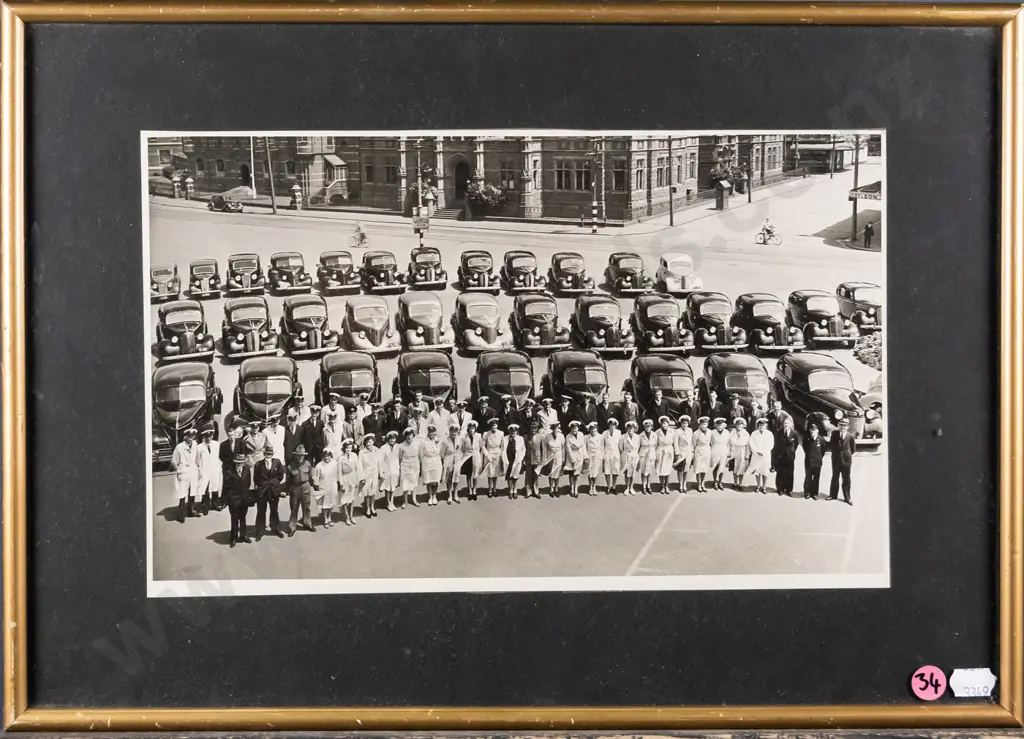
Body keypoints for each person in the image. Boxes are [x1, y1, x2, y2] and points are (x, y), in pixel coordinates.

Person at [253, 442, 287, 539]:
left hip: (273, 490)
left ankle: (275, 528)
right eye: (266, 454)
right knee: (261, 511)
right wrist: (262, 485)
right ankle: (260, 531)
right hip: (262, 491)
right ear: (264, 454)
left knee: (274, 511)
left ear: (272, 455)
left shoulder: (277, 462)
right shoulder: (258, 464)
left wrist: (274, 483)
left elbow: (280, 475)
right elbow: (256, 478)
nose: (268, 456)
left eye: (270, 454)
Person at [223, 453, 253, 548]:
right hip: (234, 499)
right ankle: (233, 538)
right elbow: (226, 487)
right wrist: (227, 500)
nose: (239, 465)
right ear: (235, 463)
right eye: (237, 463)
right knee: (234, 519)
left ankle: (243, 535)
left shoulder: (247, 470)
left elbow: (248, 483)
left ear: (244, 463)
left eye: (241, 463)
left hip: (244, 498)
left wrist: (246, 495)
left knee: (243, 517)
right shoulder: (229, 473)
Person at [171, 428, 200, 522]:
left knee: (193, 492)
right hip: (183, 473)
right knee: (182, 494)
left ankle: (191, 510)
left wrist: (197, 467)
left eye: (193, 436)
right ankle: (181, 514)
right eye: (189, 435)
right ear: (185, 436)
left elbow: (197, 458)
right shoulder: (179, 447)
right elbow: (173, 462)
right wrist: (179, 470)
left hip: (193, 472)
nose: (191, 437)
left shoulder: (195, 445)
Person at [286, 445, 315, 535]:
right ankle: (292, 527)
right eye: (298, 455)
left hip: (306, 486)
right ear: (295, 455)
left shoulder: (308, 464)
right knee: (294, 507)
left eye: (302, 455)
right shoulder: (291, 466)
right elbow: (288, 479)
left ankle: (307, 524)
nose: (300, 457)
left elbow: (310, 476)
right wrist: (288, 490)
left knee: (307, 507)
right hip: (295, 487)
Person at [828, 417, 856, 505]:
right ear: (838, 426)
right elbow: (832, 445)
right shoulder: (834, 434)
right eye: (841, 425)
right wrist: (835, 454)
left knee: (846, 479)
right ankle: (833, 495)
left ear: (847, 427)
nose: (843, 427)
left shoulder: (850, 436)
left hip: (846, 461)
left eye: (845, 426)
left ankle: (847, 497)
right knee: (835, 477)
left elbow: (853, 449)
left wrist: (846, 455)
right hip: (836, 460)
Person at [311, 447, 339, 529]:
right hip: (323, 486)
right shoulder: (319, 465)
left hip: (333, 486)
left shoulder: (335, 464)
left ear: (331, 456)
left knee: (331, 503)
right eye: (325, 456)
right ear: (323, 457)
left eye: (329, 456)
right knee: (324, 504)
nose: (327, 458)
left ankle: (329, 517)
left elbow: (338, 473)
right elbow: (316, 477)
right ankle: (325, 519)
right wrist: (317, 486)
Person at [195, 423, 220, 515]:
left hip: (214, 469)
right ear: (203, 436)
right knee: (205, 488)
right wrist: (200, 469)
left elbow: (218, 457)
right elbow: (197, 460)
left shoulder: (217, 445)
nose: (208, 438)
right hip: (204, 470)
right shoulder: (199, 447)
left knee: (214, 487)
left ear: (212, 435)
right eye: (206, 436)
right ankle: (205, 506)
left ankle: (215, 504)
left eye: (210, 436)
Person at [336, 438, 362, 523]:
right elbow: (339, 472)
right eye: (347, 448)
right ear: (344, 448)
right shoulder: (340, 458)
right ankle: (347, 517)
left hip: (353, 478)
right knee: (344, 500)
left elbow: (357, 468)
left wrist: (358, 479)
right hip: (345, 479)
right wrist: (341, 484)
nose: (348, 450)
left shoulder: (354, 456)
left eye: (350, 448)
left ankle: (351, 516)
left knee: (352, 499)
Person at [456, 420, 483, 501]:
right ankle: (469, 490)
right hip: (467, 457)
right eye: (470, 428)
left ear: (475, 429)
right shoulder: (464, 437)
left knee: (475, 475)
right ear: (468, 429)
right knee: (468, 474)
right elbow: (463, 448)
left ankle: (474, 490)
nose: (471, 430)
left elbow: (481, 446)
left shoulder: (478, 436)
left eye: (473, 428)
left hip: (476, 456)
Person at [748, 417, 775, 494]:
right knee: (757, 471)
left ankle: (764, 487)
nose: (761, 427)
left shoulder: (769, 434)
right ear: (758, 426)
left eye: (763, 425)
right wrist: (756, 451)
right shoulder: (754, 433)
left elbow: (771, 445)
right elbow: (751, 443)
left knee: (765, 471)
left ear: (766, 426)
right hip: (756, 455)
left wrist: (764, 452)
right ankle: (758, 486)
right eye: (760, 425)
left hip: (765, 455)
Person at [480, 417, 505, 497]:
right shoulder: (486, 434)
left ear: (497, 425)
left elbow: (503, 446)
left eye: (495, 425)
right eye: (492, 425)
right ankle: (490, 489)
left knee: (496, 473)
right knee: (490, 473)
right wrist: (487, 454)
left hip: (497, 454)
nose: (494, 427)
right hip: (489, 454)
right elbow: (483, 445)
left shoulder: (501, 433)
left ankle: (495, 489)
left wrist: (501, 454)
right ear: (490, 426)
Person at [398, 427, 422, 509]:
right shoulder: (401, 446)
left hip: (414, 466)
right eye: (407, 435)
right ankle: (405, 500)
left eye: (410, 435)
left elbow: (420, 456)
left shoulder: (417, 444)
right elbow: (400, 458)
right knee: (405, 484)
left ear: (413, 435)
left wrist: (418, 465)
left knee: (414, 483)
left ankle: (414, 499)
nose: (409, 437)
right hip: (405, 466)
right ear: (405, 436)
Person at [774, 416, 799, 496]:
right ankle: (780, 489)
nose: (786, 425)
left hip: (790, 456)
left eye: (787, 423)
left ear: (791, 424)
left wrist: (791, 451)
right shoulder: (779, 432)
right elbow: (777, 444)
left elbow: (796, 444)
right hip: (781, 455)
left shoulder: (794, 433)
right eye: (785, 423)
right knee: (780, 472)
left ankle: (788, 490)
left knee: (789, 473)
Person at [419, 424, 443, 506]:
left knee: (435, 481)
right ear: (428, 432)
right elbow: (421, 453)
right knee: (429, 481)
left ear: (435, 432)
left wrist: (436, 444)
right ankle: (430, 497)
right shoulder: (423, 441)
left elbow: (440, 451)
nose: (431, 434)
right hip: (427, 461)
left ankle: (434, 496)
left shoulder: (438, 440)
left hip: (436, 461)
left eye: (433, 432)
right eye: (430, 432)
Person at [358, 434, 381, 517]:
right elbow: (359, 466)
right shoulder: (361, 452)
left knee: (373, 492)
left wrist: (381, 473)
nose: (369, 444)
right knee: (367, 493)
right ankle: (367, 508)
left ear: (373, 442)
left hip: (374, 474)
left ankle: (372, 507)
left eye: (370, 442)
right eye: (367, 442)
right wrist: (361, 477)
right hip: (366, 475)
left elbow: (379, 462)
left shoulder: (377, 450)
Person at [802, 423, 826, 500]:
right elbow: (805, 448)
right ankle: (807, 493)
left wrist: (819, 458)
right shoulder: (806, 438)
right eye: (811, 430)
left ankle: (814, 493)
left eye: (814, 430)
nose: (813, 431)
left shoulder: (821, 439)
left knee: (816, 478)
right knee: (808, 477)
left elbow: (823, 450)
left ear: (817, 431)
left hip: (817, 462)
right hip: (809, 461)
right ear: (809, 430)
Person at [379, 430, 401, 512]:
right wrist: (382, 471)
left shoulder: (397, 447)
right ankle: (388, 502)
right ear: (388, 439)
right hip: (387, 470)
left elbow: (399, 457)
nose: (392, 440)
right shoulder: (383, 448)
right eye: (391, 438)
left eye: (394, 438)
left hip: (395, 469)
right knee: (387, 488)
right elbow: (381, 460)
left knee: (393, 487)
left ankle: (392, 501)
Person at [526, 418, 548, 499]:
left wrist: (543, 459)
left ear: (537, 429)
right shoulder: (526, 436)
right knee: (528, 475)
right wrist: (524, 460)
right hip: (528, 458)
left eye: (535, 428)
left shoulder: (541, 437)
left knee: (535, 475)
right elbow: (524, 449)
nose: (533, 430)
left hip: (537, 458)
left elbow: (543, 449)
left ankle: (536, 491)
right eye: (532, 428)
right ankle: (528, 491)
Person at [439, 424, 462, 504]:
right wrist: (444, 462)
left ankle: (455, 495)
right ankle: (449, 496)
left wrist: (459, 458)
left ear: (457, 432)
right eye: (452, 432)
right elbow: (442, 453)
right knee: (449, 479)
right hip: (448, 460)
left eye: (455, 432)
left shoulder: (459, 439)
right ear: (449, 431)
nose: (454, 433)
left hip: (457, 460)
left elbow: (461, 450)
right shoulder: (445, 441)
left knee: (456, 478)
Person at [503, 423, 526, 500]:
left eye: (515, 431)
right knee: (509, 475)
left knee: (515, 475)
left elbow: (523, 449)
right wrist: (504, 460)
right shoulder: (505, 439)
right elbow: (503, 450)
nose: (513, 433)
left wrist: (521, 458)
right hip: (508, 460)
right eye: (512, 431)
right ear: (509, 431)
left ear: (517, 432)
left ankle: (515, 489)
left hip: (517, 460)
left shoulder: (520, 438)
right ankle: (510, 490)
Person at [563, 419, 585, 498]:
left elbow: (583, 446)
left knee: (577, 474)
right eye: (573, 428)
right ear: (570, 429)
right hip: (571, 456)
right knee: (571, 474)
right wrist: (572, 460)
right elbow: (568, 449)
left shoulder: (581, 435)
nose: (574, 430)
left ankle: (576, 489)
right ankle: (572, 488)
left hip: (579, 456)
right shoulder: (568, 437)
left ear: (578, 428)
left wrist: (584, 456)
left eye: (575, 428)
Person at [619, 420, 641, 495]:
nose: (630, 429)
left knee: (633, 473)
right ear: (627, 429)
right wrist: (625, 454)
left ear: (634, 429)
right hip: (626, 456)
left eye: (632, 428)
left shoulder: (637, 437)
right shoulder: (623, 437)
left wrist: (634, 453)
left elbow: (637, 447)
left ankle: (631, 487)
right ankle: (627, 487)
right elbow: (620, 448)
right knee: (627, 473)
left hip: (634, 456)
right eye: (629, 428)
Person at [654, 416, 676, 493]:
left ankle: (666, 486)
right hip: (660, 451)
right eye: (663, 423)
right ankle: (662, 486)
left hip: (669, 451)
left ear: (668, 424)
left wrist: (676, 453)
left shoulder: (672, 431)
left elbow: (675, 443)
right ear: (660, 424)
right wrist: (654, 454)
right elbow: (655, 444)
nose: (664, 425)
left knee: (667, 470)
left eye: (665, 423)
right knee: (660, 469)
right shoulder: (657, 432)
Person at [728, 418, 750, 491]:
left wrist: (747, 455)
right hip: (734, 451)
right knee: (734, 468)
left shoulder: (746, 434)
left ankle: (740, 484)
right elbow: (728, 443)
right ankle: (735, 483)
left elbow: (748, 445)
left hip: (742, 451)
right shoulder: (731, 433)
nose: (739, 426)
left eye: (740, 425)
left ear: (743, 426)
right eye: (737, 425)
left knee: (741, 468)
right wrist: (729, 453)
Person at [691, 416, 712, 493]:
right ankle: (699, 484)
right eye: (702, 424)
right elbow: (694, 444)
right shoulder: (696, 433)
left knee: (705, 469)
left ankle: (703, 483)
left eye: (705, 424)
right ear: (699, 425)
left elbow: (711, 442)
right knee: (699, 469)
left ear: (707, 424)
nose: (703, 426)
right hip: (699, 450)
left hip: (707, 451)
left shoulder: (710, 432)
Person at [709, 417, 731, 491]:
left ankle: (720, 482)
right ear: (716, 426)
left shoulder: (727, 432)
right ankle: (715, 481)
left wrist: (728, 452)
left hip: (723, 450)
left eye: (721, 425)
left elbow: (728, 443)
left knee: (722, 467)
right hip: (715, 450)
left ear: (724, 425)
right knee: (715, 466)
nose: (720, 427)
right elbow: (711, 442)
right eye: (718, 425)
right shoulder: (713, 432)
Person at [637, 418, 658, 494]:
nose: (647, 428)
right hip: (643, 453)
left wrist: (652, 451)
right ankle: (643, 486)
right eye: (646, 427)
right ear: (644, 427)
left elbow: (655, 445)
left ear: (651, 427)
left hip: (651, 453)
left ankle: (648, 485)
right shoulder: (640, 435)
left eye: (649, 426)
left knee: (649, 470)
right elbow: (638, 445)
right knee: (643, 470)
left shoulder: (654, 435)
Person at [601, 417, 622, 494]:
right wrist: (603, 455)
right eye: (610, 425)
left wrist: (620, 453)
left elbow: (620, 445)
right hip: (607, 453)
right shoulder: (604, 433)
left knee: (615, 471)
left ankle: (614, 487)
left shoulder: (619, 433)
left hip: (615, 453)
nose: (612, 427)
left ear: (616, 426)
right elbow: (602, 445)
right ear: (608, 426)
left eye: (613, 425)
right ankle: (608, 487)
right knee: (607, 471)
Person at [673, 415, 693, 492]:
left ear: (688, 423)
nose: (684, 425)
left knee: (686, 470)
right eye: (683, 423)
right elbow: (675, 443)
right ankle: (680, 483)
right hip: (681, 452)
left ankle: (684, 483)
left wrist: (692, 451)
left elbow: (691, 442)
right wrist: (677, 453)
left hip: (688, 452)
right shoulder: (677, 431)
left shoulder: (690, 430)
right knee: (680, 470)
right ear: (681, 424)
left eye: (686, 423)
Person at [545, 423, 565, 497]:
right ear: (552, 429)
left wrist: (563, 457)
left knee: (557, 473)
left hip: (559, 456)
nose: (555, 430)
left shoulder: (561, 436)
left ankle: (556, 488)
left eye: (556, 428)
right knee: (551, 473)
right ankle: (551, 489)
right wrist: (545, 458)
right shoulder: (547, 436)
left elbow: (563, 447)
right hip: (550, 456)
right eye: (554, 429)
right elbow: (545, 447)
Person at [584, 421, 603, 496]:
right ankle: (590, 487)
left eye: (594, 429)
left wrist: (601, 456)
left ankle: (594, 486)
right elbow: (584, 448)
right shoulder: (586, 437)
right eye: (591, 429)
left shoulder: (600, 437)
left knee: (595, 473)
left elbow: (602, 447)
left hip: (597, 456)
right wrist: (585, 456)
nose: (593, 430)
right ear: (589, 430)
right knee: (590, 472)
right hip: (589, 456)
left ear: (597, 429)